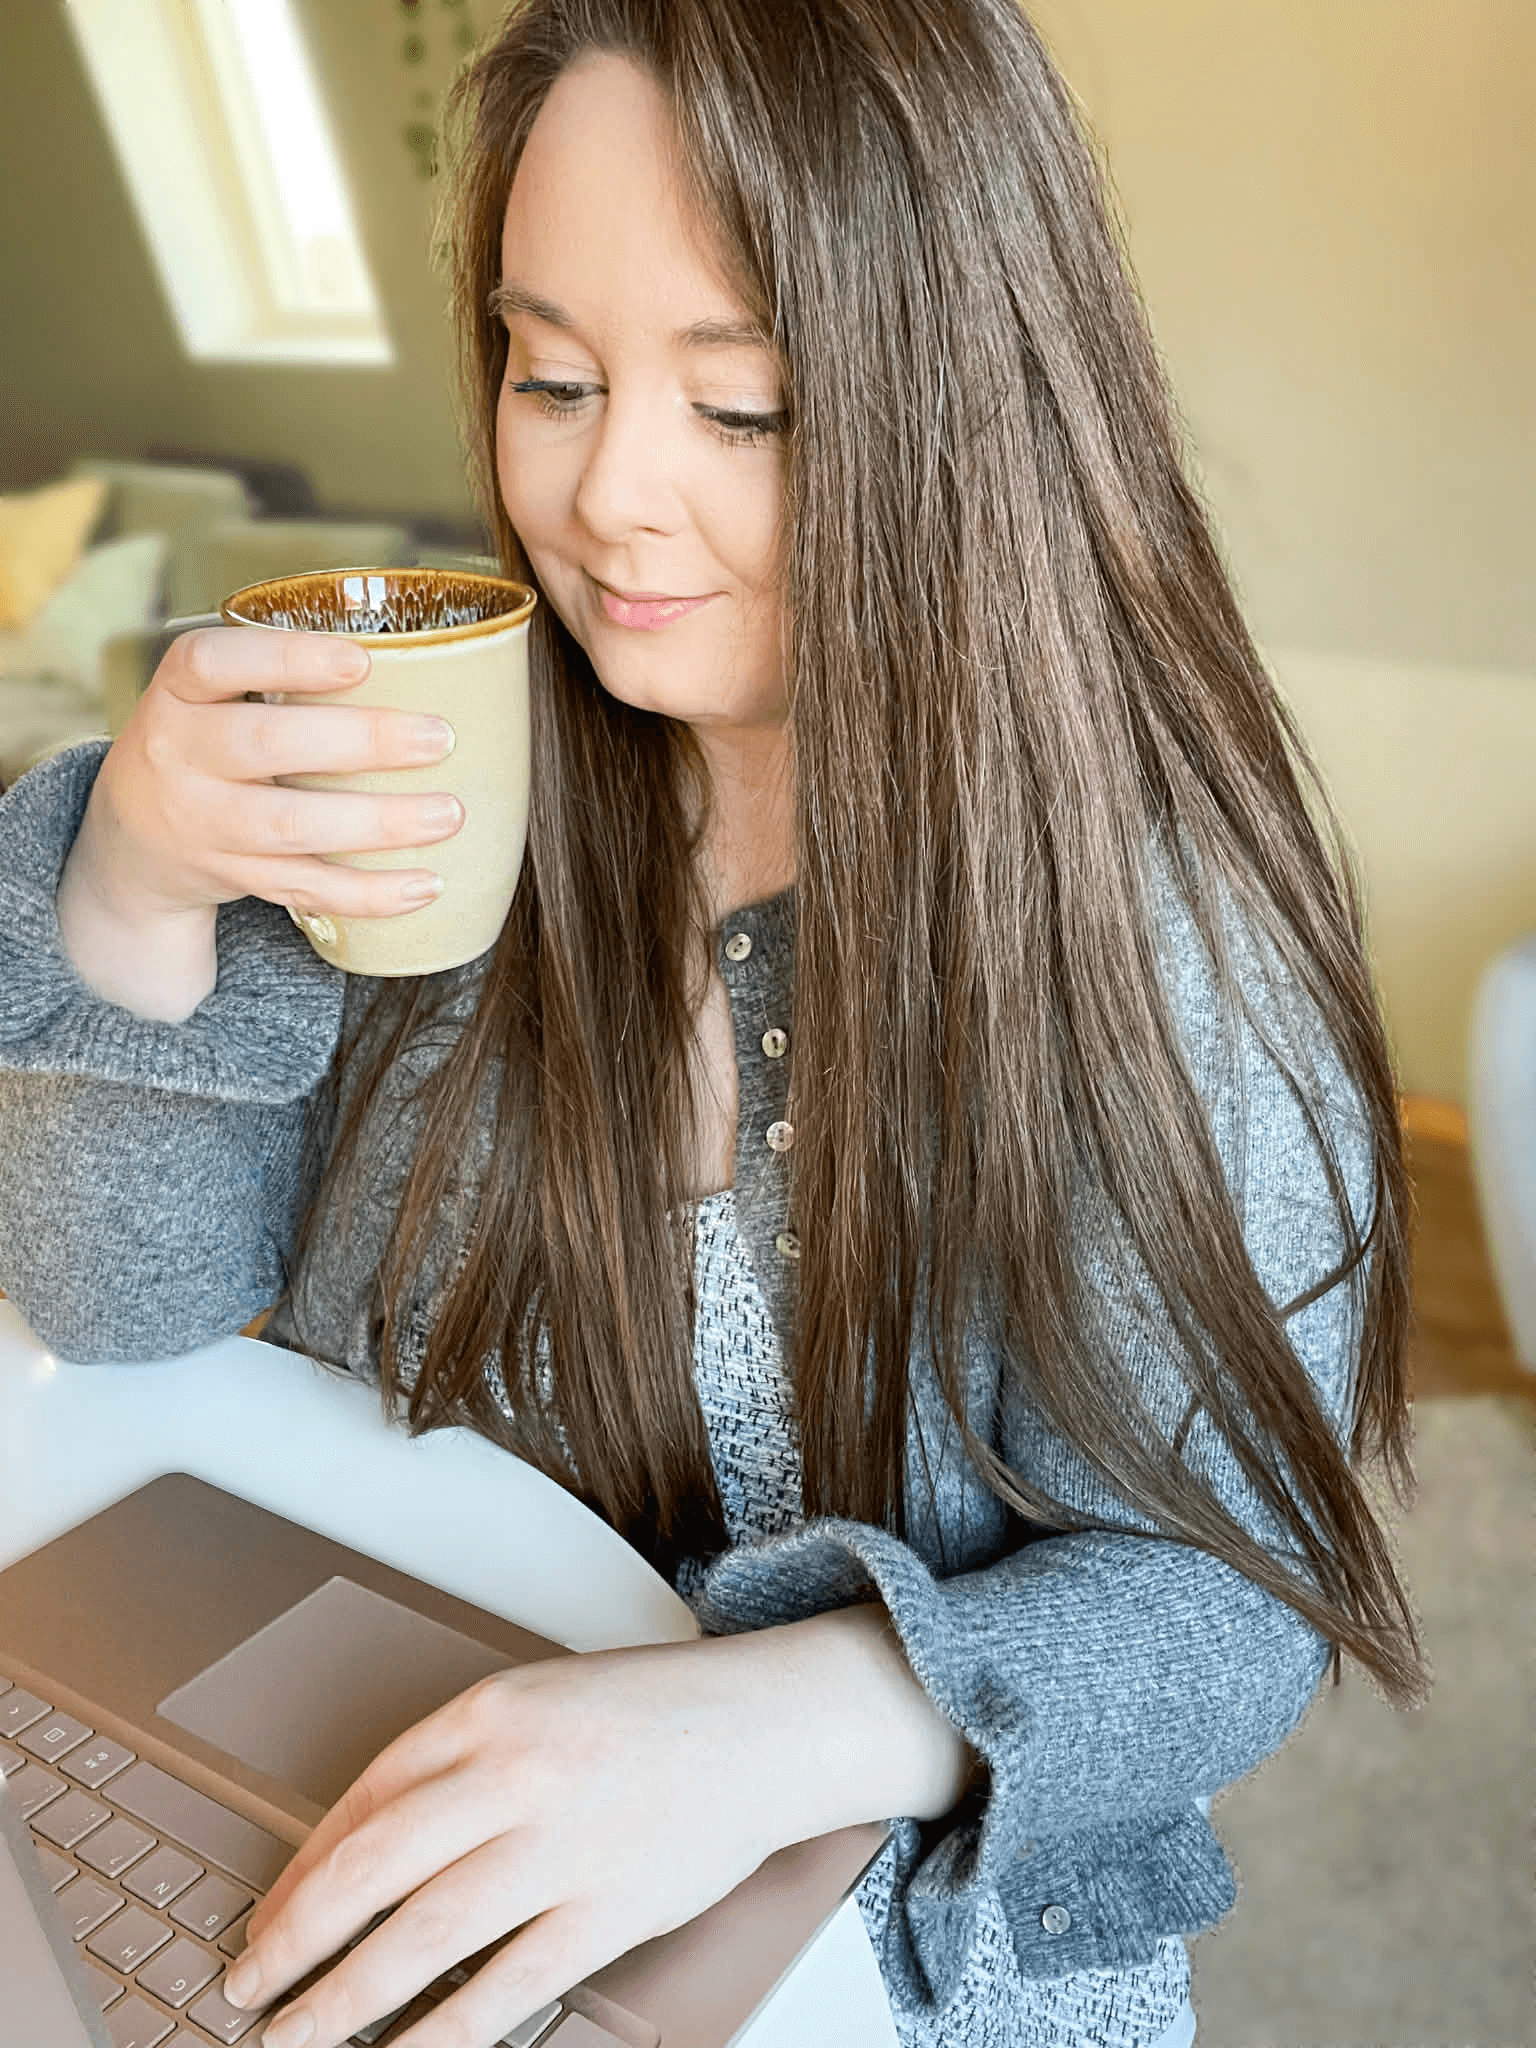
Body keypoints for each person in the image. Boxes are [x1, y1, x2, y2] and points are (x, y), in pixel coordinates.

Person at [0, 3, 1431, 2045]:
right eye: (550, 374)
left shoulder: (1149, 939)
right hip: (378, 1777)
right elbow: (116, 1301)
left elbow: (1228, 1604)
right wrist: (132, 881)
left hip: (893, 1916)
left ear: (975, 404)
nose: (605, 502)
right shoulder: (455, 767)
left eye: (742, 406)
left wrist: (782, 1716)